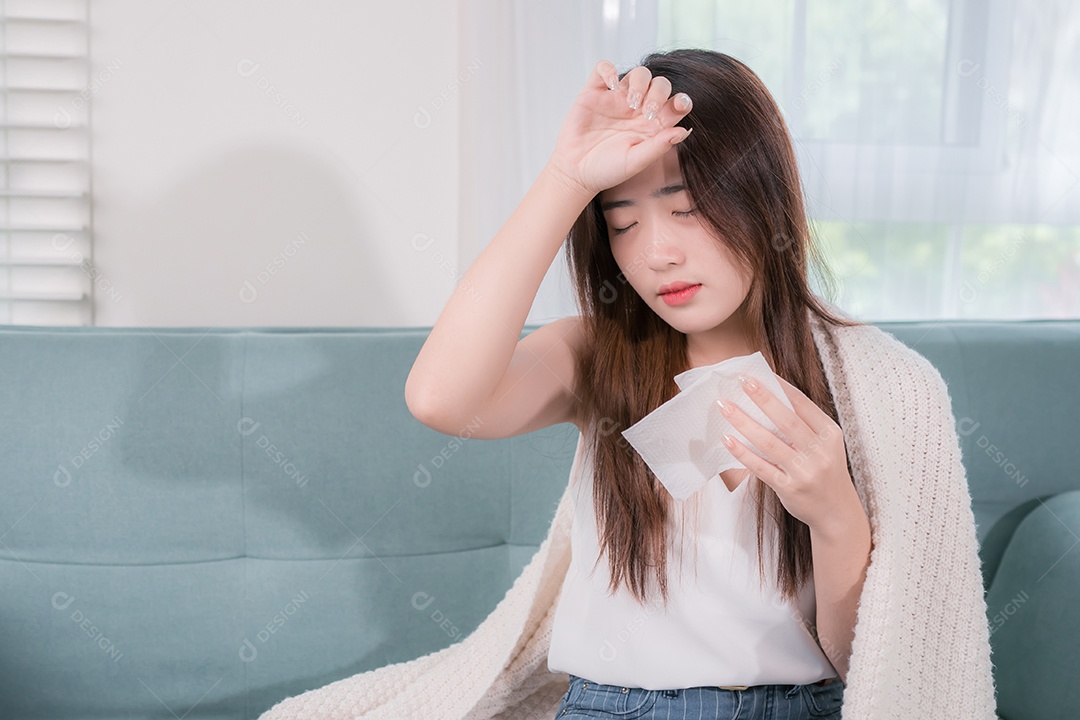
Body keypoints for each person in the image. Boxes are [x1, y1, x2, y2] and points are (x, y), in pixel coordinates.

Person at [258, 49, 998, 720]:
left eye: (688, 209)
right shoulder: (598, 354)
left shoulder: (885, 388)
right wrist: (565, 179)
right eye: (621, 222)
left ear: (765, 197)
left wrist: (835, 513)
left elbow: (878, 671)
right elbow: (441, 398)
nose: (658, 254)